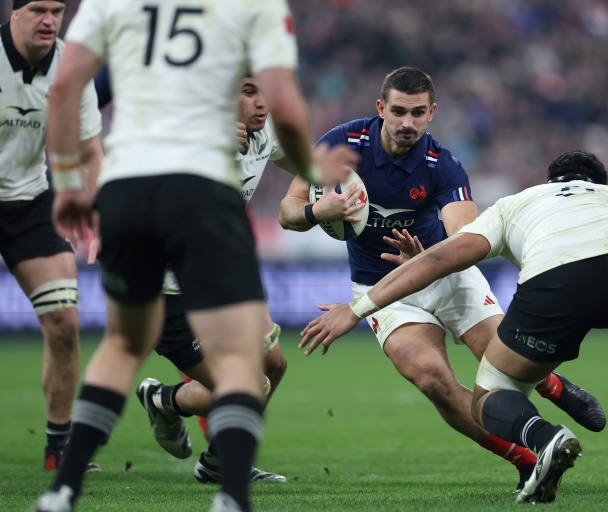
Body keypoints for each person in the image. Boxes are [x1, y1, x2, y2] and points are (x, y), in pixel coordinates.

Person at [299, 150, 608, 505]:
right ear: (599, 185)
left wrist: (357, 309)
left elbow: (442, 256)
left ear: (551, 182)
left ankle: (545, 436)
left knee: (492, 391)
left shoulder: (520, 202)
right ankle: (554, 400)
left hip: (556, 282)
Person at [34, 1, 357, 512]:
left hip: (127, 192)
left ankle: (65, 492)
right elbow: (290, 109)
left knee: (263, 361)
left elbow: (67, 85)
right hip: (191, 224)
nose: (259, 104)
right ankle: (225, 487)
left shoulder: (114, 7)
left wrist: (70, 183)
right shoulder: (252, 13)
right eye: (246, 91)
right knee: (243, 373)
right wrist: (315, 167)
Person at [279, 67, 606, 489]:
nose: (406, 123)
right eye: (397, 111)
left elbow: (468, 236)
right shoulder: (342, 144)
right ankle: (528, 460)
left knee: (503, 362)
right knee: (432, 378)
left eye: (417, 113)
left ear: (432, 113)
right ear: (381, 109)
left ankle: (551, 384)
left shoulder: (443, 165)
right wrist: (314, 212)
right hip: (383, 292)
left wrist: (428, 258)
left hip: (446, 277)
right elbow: (288, 210)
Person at [135, 77, 312, 484]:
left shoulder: (264, 130)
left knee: (274, 365)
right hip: (166, 292)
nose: (261, 102)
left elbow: (303, 160)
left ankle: (214, 457)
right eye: (249, 91)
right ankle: (167, 400)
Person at [0, 0, 102, 473]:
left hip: (30, 203)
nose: (49, 20)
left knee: (65, 323)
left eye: (57, 10)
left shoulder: (73, 66)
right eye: (38, 9)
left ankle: (58, 448)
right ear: (13, 12)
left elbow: (89, 151)